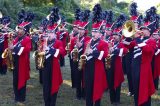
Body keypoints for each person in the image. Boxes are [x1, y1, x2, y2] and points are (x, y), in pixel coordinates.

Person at [84, 4, 108, 106]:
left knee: (97, 89)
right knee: (88, 89)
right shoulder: (88, 42)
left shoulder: (103, 43)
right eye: (92, 31)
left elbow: (105, 54)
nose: (93, 34)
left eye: (95, 32)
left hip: (97, 69)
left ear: (100, 34)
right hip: (88, 68)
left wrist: (92, 52)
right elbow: (85, 54)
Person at [42, 7, 65, 106]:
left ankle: (52, 103)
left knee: (53, 85)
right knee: (46, 86)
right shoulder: (44, 41)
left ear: (55, 34)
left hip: (54, 67)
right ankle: (46, 102)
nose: (49, 35)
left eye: (51, 33)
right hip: (45, 66)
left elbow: (62, 52)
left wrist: (50, 50)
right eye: (48, 33)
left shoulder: (58, 42)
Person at [70, 9, 91, 100]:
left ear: (85, 30)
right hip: (76, 59)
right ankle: (78, 95)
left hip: (85, 60)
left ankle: (85, 94)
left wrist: (82, 45)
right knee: (78, 77)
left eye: (82, 29)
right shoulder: (74, 38)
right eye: (79, 29)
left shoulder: (87, 38)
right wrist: (74, 50)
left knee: (84, 78)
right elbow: (71, 49)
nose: (80, 31)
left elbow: (89, 47)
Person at [11, 22, 32, 105]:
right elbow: (12, 48)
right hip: (15, 62)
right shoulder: (16, 39)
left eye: (21, 29)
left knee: (22, 79)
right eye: (18, 28)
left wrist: (14, 48)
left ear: (24, 30)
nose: (19, 30)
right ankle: (16, 96)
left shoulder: (27, 39)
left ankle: (22, 97)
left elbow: (27, 49)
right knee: (15, 80)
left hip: (22, 62)